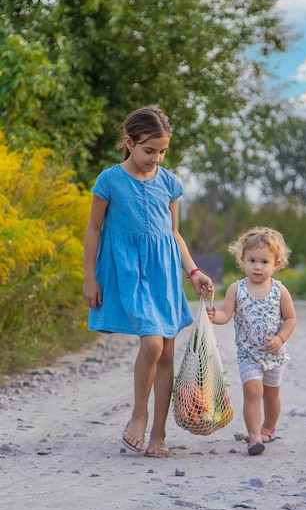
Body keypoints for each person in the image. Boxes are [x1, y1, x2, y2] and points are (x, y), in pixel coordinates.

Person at [83, 105, 213, 458]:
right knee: (153, 345)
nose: (156, 157)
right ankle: (138, 416)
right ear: (129, 142)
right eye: (149, 150)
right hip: (129, 273)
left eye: (162, 151)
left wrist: (194, 272)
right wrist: (90, 278)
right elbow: (94, 230)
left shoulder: (169, 183)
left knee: (168, 351)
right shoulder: (109, 180)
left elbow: (173, 234)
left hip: (165, 272)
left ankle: (159, 435)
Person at [207, 226, 296, 456]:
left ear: (276, 264)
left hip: (274, 355)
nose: (258, 266)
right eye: (252, 260)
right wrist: (214, 316)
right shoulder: (236, 289)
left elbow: (290, 319)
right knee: (252, 392)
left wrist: (280, 338)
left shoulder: (279, 290)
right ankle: (254, 436)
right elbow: (226, 315)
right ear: (242, 260)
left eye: (264, 262)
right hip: (248, 354)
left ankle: (268, 426)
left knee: (271, 394)